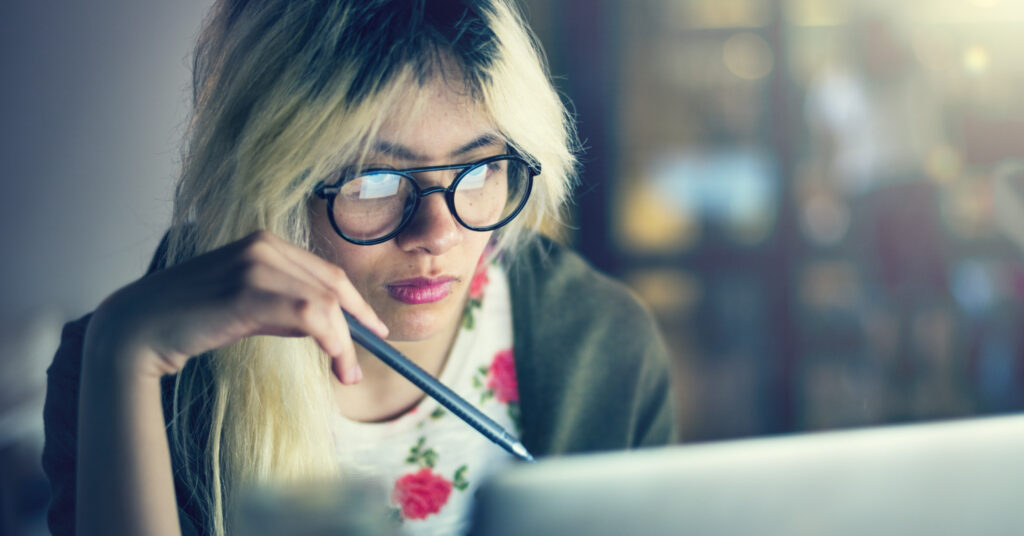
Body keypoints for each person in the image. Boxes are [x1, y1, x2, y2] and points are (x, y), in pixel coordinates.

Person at [42, 1, 676, 535]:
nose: (439, 234)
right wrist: (124, 355)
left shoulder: (603, 340)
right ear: (271, 181)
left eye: (480, 170)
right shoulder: (121, 368)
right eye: (374, 181)